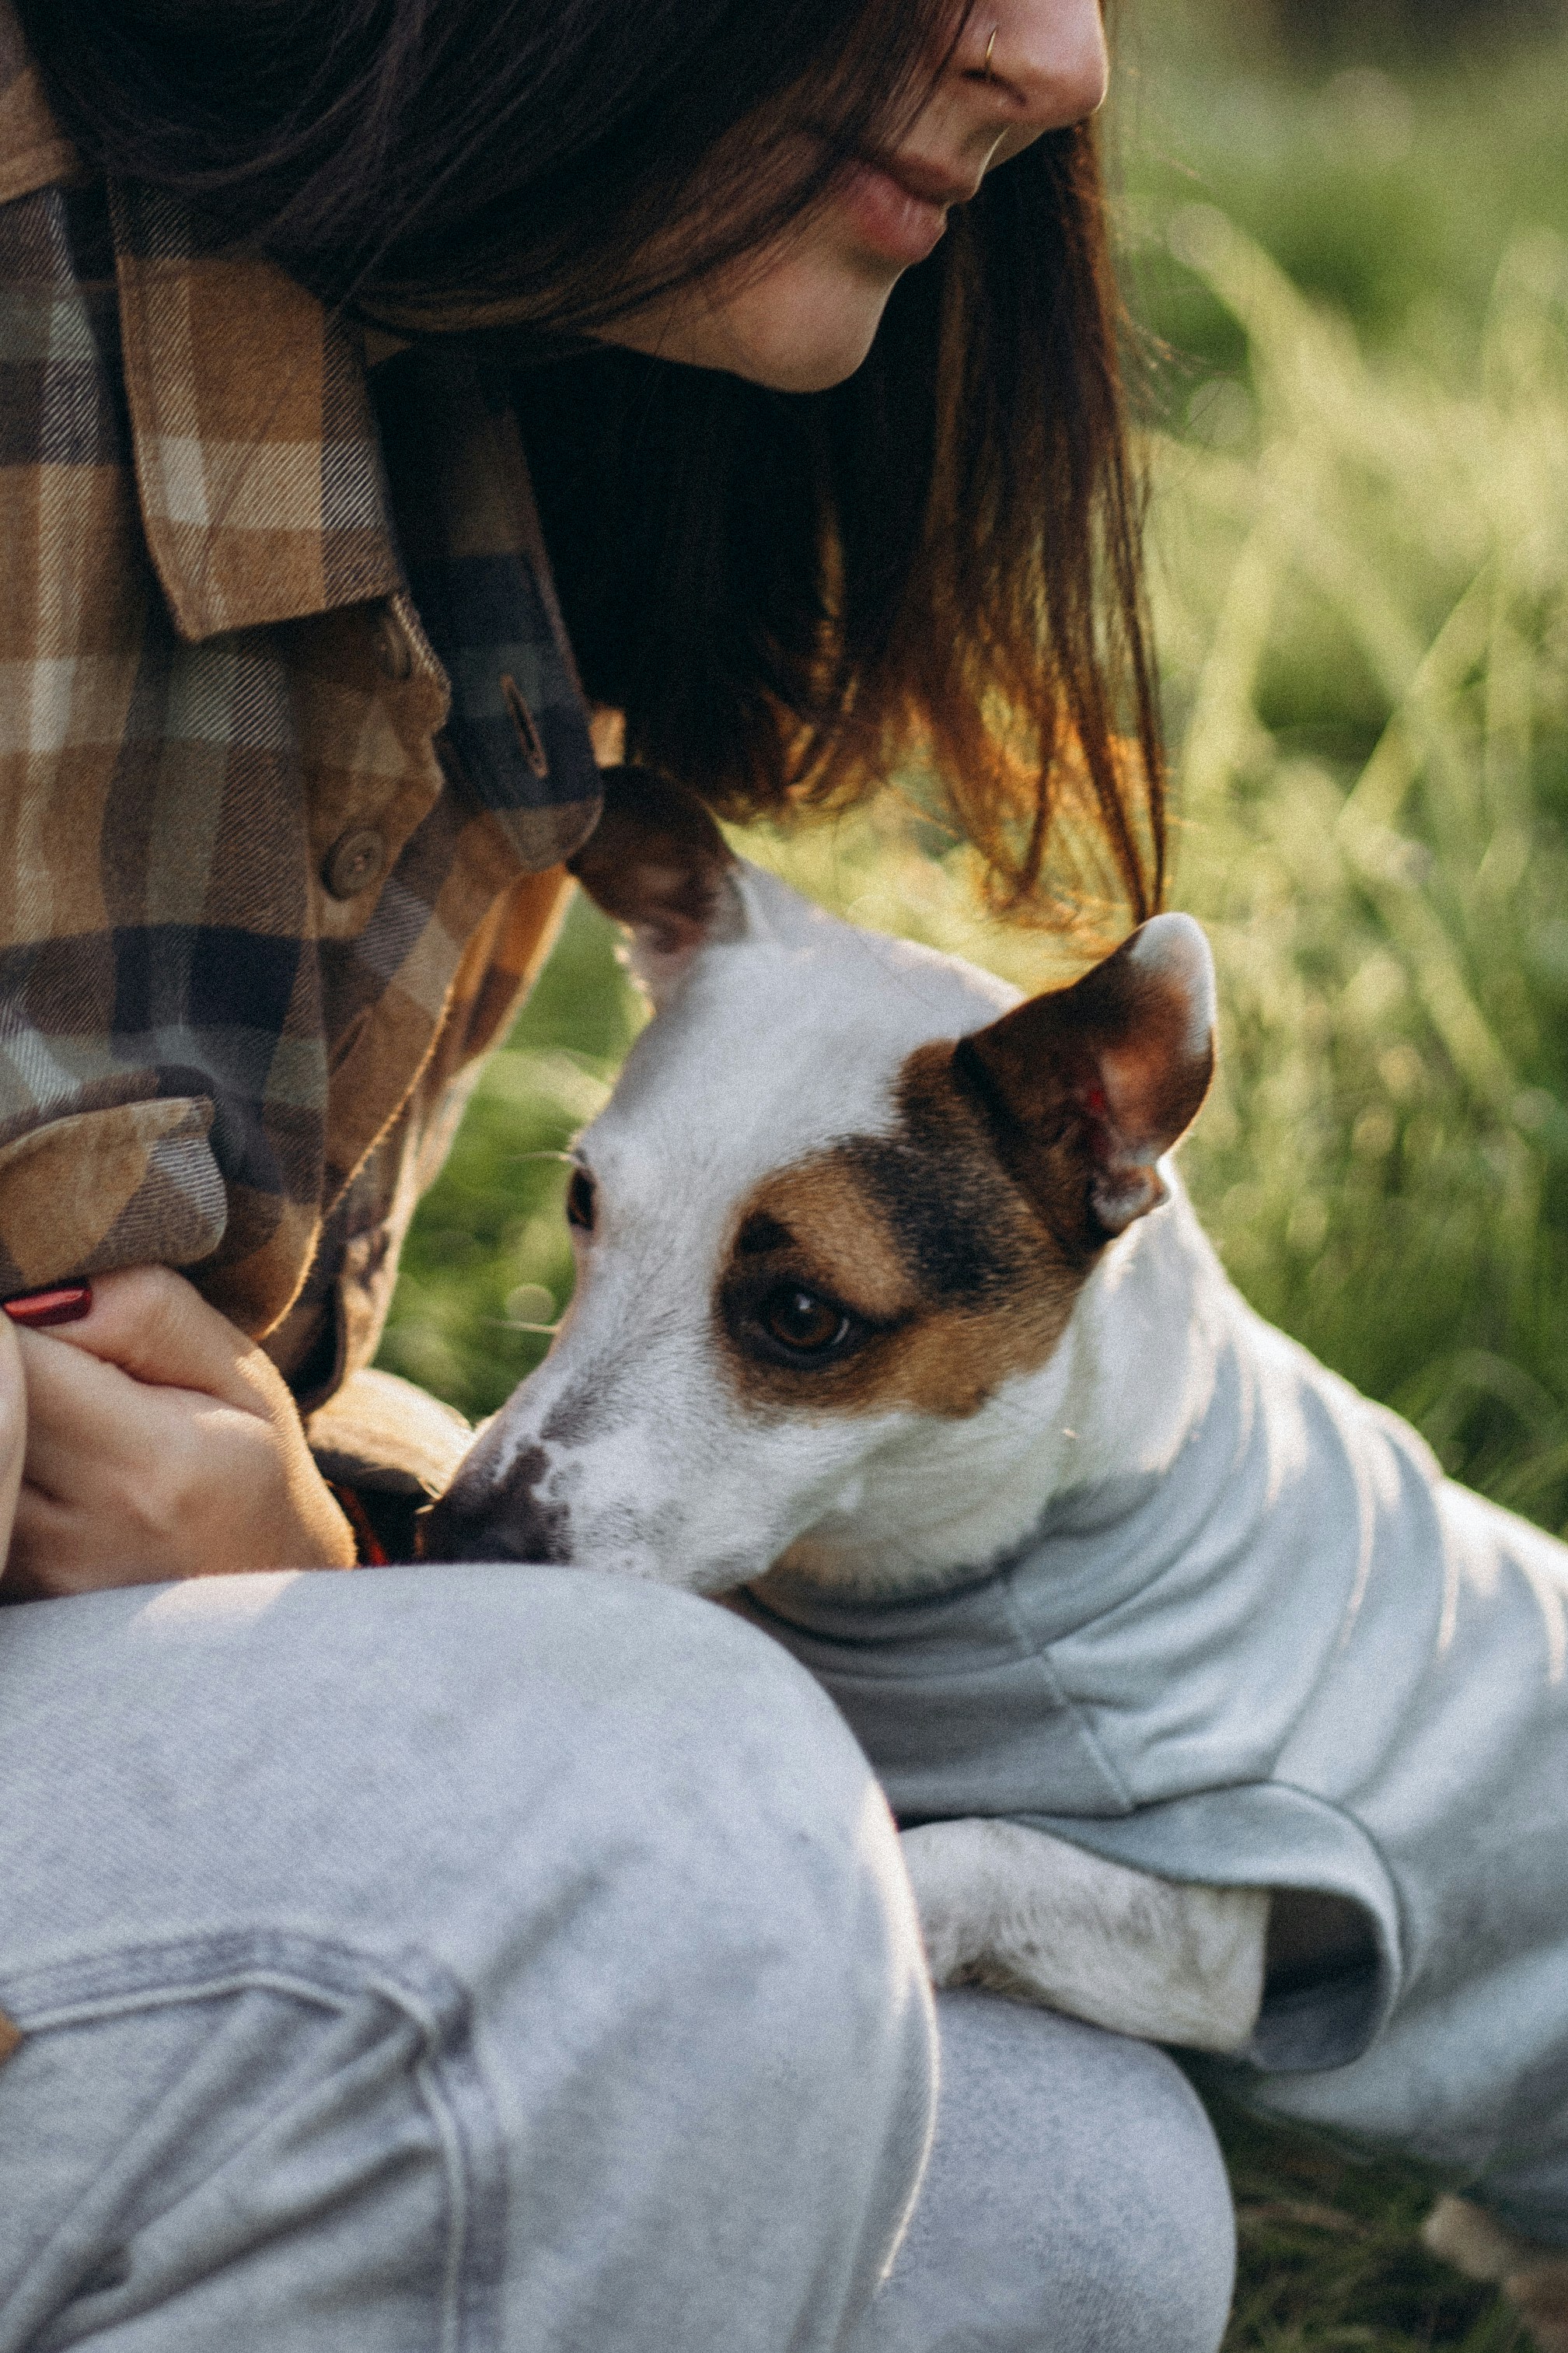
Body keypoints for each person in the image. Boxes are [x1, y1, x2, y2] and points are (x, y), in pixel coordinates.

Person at [0, 1, 1236, 2345]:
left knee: (1074, 2190)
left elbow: (252, 1383)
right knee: (686, 1821)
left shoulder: (513, 397)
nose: (1066, 59)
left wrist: (294, 1560)